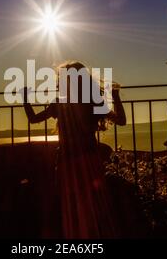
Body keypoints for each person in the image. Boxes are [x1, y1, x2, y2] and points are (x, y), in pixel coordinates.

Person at [22, 61, 126, 238]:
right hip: (91, 161)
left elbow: (33, 119)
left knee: (70, 206)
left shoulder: (60, 104)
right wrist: (115, 95)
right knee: (92, 205)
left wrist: (25, 98)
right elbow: (121, 120)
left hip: (66, 161)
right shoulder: (93, 101)